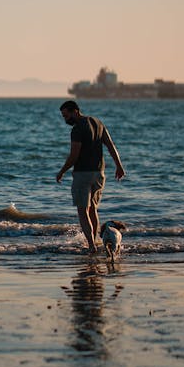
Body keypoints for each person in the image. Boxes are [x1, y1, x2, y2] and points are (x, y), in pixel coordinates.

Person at [56, 100, 125, 253]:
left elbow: (74, 156)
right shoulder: (98, 122)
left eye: (66, 116)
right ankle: (94, 242)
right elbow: (111, 145)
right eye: (63, 117)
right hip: (99, 173)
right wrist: (119, 166)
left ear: (75, 111)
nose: (65, 120)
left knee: (82, 210)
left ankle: (92, 246)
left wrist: (62, 171)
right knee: (93, 209)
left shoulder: (77, 129)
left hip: (83, 173)